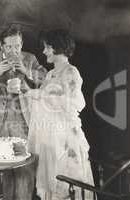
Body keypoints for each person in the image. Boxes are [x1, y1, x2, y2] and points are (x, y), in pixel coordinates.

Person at [0, 25, 47, 200]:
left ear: (22, 44)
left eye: (18, 46)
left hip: (23, 125)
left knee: (24, 175)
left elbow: (47, 78)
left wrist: (27, 71)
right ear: (1, 46)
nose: (14, 50)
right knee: (4, 177)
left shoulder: (30, 59)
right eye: (9, 46)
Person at [26, 30, 94, 200]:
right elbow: (41, 104)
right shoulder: (50, 74)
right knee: (50, 181)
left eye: (47, 48)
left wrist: (36, 94)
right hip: (50, 136)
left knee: (65, 181)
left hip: (65, 137)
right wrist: (27, 93)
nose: (44, 52)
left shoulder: (71, 72)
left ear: (58, 48)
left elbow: (72, 103)